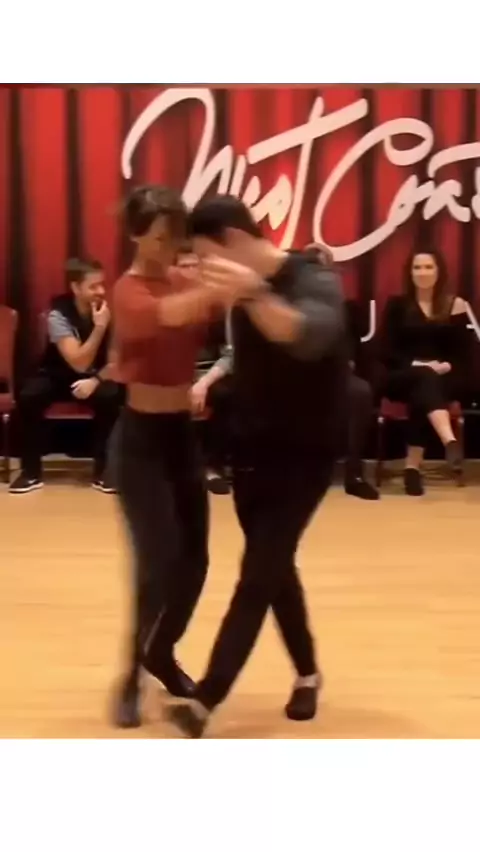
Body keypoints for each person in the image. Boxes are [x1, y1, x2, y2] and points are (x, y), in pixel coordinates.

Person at [166, 195, 349, 738]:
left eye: (206, 255)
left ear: (233, 240)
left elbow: (307, 335)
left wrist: (254, 294)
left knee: (257, 573)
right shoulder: (235, 291)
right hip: (251, 452)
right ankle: (309, 673)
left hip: (307, 456)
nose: (205, 266)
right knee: (274, 568)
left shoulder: (313, 278)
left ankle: (205, 700)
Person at [110, 186, 258, 729]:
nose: (169, 245)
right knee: (157, 561)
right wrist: (221, 282)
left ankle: (160, 651)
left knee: (195, 560)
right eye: (159, 236)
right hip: (139, 443)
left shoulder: (181, 278)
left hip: (179, 436)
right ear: (135, 235)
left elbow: (227, 304)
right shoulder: (127, 291)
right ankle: (131, 673)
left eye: (175, 235)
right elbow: (168, 315)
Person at [9, 257, 122, 494]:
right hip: (58, 374)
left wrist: (95, 381)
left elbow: (115, 360)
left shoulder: (110, 313)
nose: (101, 292)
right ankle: (30, 473)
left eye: (102, 285)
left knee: (112, 395)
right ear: (75, 287)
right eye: (93, 286)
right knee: (29, 396)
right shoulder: (58, 315)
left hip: (95, 376)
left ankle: (105, 471)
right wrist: (99, 328)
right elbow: (78, 362)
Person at [379, 247, 470, 496]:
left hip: (442, 377)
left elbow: (465, 352)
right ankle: (447, 440)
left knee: (425, 391)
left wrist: (446, 365)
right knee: (424, 381)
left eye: (428, 267)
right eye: (417, 267)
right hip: (402, 374)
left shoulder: (455, 305)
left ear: (439, 271)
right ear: (409, 273)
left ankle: (412, 469)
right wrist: (417, 365)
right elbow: (385, 349)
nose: (422, 272)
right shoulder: (397, 305)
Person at [304, 244, 378, 500]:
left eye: (325, 267)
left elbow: (357, 344)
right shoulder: (291, 305)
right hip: (299, 375)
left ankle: (354, 474)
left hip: (337, 375)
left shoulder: (348, 308)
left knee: (361, 392)